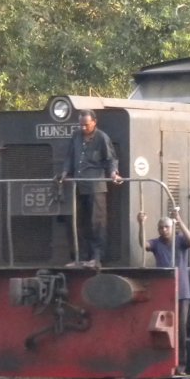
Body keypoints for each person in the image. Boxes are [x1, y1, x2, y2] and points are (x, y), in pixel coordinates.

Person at [58, 109, 121, 266]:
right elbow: (69, 156)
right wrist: (65, 172)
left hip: (96, 186)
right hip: (78, 185)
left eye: (86, 125)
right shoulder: (76, 137)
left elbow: (111, 159)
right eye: (81, 125)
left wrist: (113, 173)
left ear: (94, 122)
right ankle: (79, 257)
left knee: (96, 222)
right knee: (76, 221)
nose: (83, 128)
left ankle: (97, 257)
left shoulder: (102, 138)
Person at [137, 208, 190, 367]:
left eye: (166, 227)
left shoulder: (180, 241)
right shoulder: (156, 243)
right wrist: (141, 224)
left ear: (172, 228)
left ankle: (181, 362)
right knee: (163, 327)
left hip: (182, 291)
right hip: (164, 291)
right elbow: (143, 244)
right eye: (161, 227)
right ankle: (164, 361)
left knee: (181, 328)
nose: (164, 230)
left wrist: (179, 221)